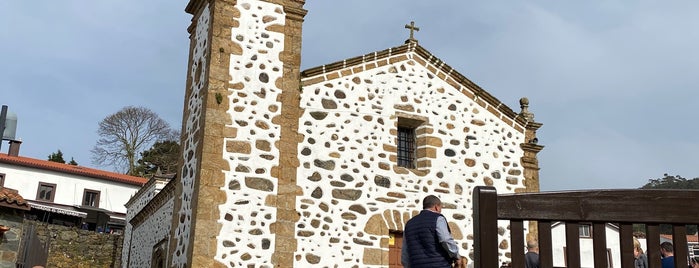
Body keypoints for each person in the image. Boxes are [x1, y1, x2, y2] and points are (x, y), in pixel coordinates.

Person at [401, 195, 462, 268]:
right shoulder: (438, 219)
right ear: (437, 207)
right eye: (440, 208)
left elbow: (405, 253)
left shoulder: (409, 224)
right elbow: (445, 240)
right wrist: (456, 255)